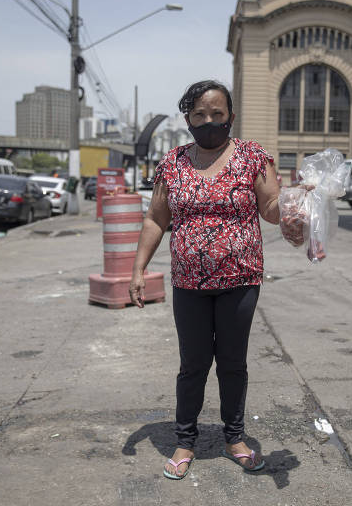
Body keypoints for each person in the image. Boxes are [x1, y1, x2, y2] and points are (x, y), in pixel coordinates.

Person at [129, 80, 307, 480]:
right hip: (189, 283)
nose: (209, 122)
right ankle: (185, 439)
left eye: (217, 114)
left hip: (240, 280)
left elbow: (273, 209)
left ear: (230, 116)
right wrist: (138, 269)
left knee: (232, 362)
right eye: (199, 115)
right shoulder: (172, 163)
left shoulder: (252, 158)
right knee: (192, 364)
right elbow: (157, 218)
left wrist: (298, 201)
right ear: (188, 119)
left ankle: (235, 437)